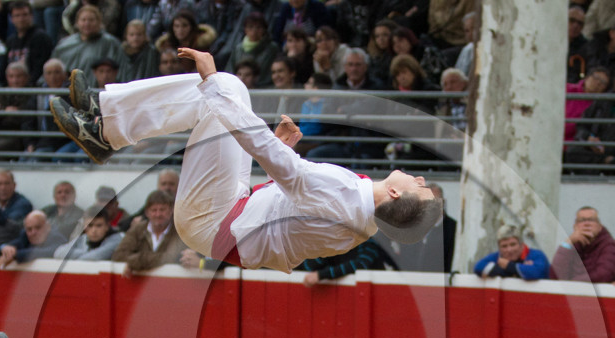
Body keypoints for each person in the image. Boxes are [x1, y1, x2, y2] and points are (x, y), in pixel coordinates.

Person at [50, 49, 443, 272]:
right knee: (231, 88)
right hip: (231, 215)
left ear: (393, 192)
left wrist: (211, 81)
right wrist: (281, 150)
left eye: (419, 189)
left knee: (220, 93)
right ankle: (105, 122)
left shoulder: (344, 195)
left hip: (215, 218)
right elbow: (283, 213)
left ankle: (105, 128)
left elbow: (275, 165)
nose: (422, 182)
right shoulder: (363, 219)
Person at [111, 189, 190, 277]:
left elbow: (172, 257)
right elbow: (118, 255)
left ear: (171, 211)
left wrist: (136, 262)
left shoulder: (180, 231)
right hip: (139, 286)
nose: (158, 214)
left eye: (162, 210)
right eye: (154, 210)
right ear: (147, 213)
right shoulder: (138, 229)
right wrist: (142, 261)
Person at [550, 206, 615, 283]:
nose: (587, 223)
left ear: (600, 227)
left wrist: (571, 283)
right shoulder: (572, 247)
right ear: (575, 227)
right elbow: (555, 276)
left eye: (591, 220)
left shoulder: (610, 245)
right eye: (582, 220)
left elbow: (603, 275)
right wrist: (568, 242)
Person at [53, 4, 124, 77]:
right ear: (77, 23)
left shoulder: (111, 43)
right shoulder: (64, 44)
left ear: (99, 22)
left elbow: (121, 70)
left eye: (91, 20)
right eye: (83, 20)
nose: (87, 24)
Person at [299, 237, 396, 285]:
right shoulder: (334, 243)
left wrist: (321, 275)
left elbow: (360, 264)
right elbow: (307, 266)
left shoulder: (367, 242)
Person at [222, 11, 279, 85]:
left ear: (264, 29)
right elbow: (230, 71)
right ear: (245, 29)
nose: (254, 31)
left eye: (258, 27)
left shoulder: (271, 48)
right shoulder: (238, 49)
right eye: (250, 27)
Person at [472, 225, 550, 280]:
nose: (509, 250)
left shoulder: (537, 255)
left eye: (513, 244)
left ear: (521, 244)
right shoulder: (498, 256)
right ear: (499, 248)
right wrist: (507, 272)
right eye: (504, 246)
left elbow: (536, 272)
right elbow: (479, 267)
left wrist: (508, 266)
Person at [4, 0, 55, 83]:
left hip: (33, 88)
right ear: (12, 19)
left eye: (24, 15)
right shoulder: (10, 41)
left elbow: (39, 69)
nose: (21, 19)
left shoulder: (41, 38)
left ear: (31, 16)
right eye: (17, 16)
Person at [0, 210, 68, 268]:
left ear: (48, 227)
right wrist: (4, 248)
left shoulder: (59, 239)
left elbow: (45, 252)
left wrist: (15, 254)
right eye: (29, 229)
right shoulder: (25, 237)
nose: (33, 232)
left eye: (38, 227)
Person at [53, 205, 125, 261]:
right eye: (90, 225)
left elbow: (93, 258)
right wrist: (85, 252)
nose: (94, 230)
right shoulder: (83, 238)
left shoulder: (117, 239)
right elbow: (58, 253)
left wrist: (73, 255)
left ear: (107, 226)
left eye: (99, 225)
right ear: (84, 226)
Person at [118, 19, 160, 83]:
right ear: (126, 36)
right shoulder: (121, 51)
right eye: (132, 35)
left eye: (139, 34)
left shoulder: (152, 52)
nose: (135, 38)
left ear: (145, 35)